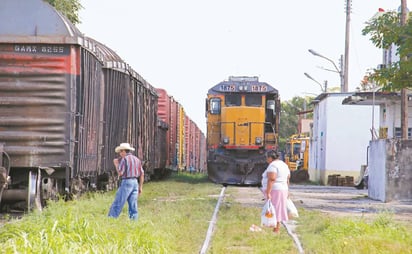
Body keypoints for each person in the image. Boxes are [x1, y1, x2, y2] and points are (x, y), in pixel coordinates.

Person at [108, 142, 144, 220]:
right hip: (135, 182)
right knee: (133, 204)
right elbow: (142, 174)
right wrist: (140, 187)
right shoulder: (137, 159)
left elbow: (120, 173)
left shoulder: (124, 160)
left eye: (120, 151)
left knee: (119, 201)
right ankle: (134, 220)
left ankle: (111, 218)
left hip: (127, 182)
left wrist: (116, 164)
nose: (120, 153)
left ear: (124, 151)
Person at [261, 150, 290, 233]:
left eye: (267, 157)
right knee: (278, 209)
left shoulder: (273, 165)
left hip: (275, 190)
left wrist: (268, 192)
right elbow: (288, 178)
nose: (266, 159)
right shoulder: (284, 165)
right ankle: (275, 227)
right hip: (282, 189)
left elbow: (272, 179)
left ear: (270, 158)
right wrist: (287, 190)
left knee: (275, 209)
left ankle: (276, 229)